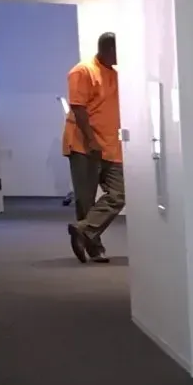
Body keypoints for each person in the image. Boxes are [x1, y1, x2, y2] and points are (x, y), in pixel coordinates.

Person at [64, 32, 124, 263]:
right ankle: (94, 248)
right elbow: (78, 107)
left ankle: (82, 230)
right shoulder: (83, 71)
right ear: (109, 49)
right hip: (84, 146)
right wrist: (91, 140)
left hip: (111, 145)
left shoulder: (114, 74)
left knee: (119, 193)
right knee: (85, 199)